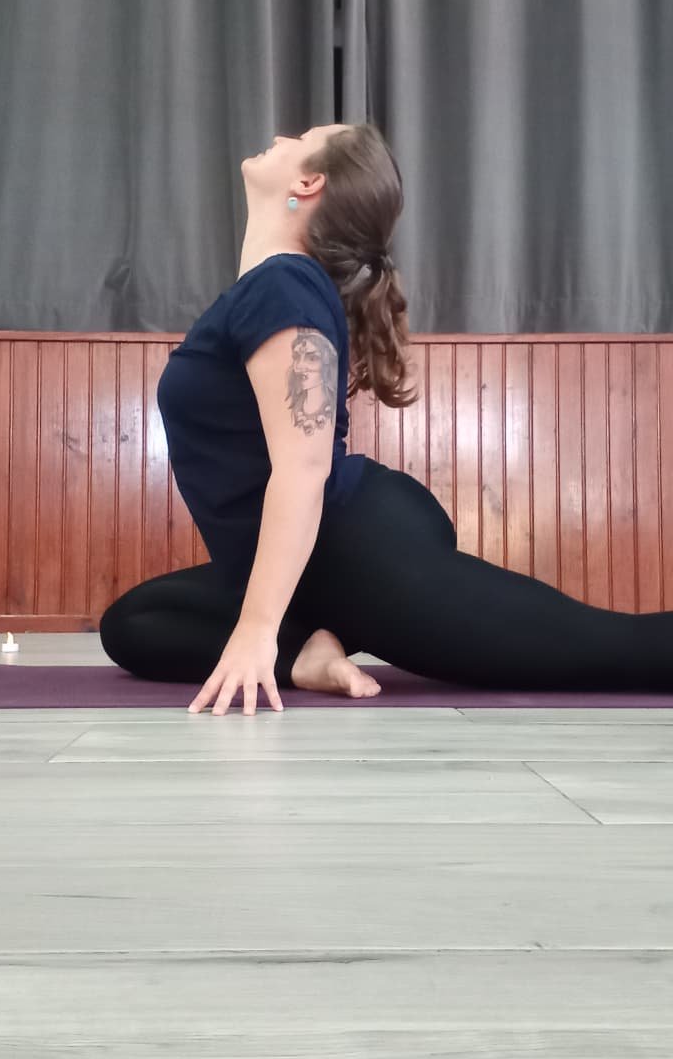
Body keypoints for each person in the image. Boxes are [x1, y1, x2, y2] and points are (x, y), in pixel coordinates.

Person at [99, 122, 673, 714]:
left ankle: (300, 632)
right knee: (137, 622)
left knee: (617, 650)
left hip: (364, 554)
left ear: (309, 182)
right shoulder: (268, 288)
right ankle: (307, 654)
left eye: (302, 138)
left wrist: (258, 629)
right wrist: (265, 631)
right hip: (304, 567)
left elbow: (303, 468)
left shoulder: (284, 284)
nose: (283, 137)